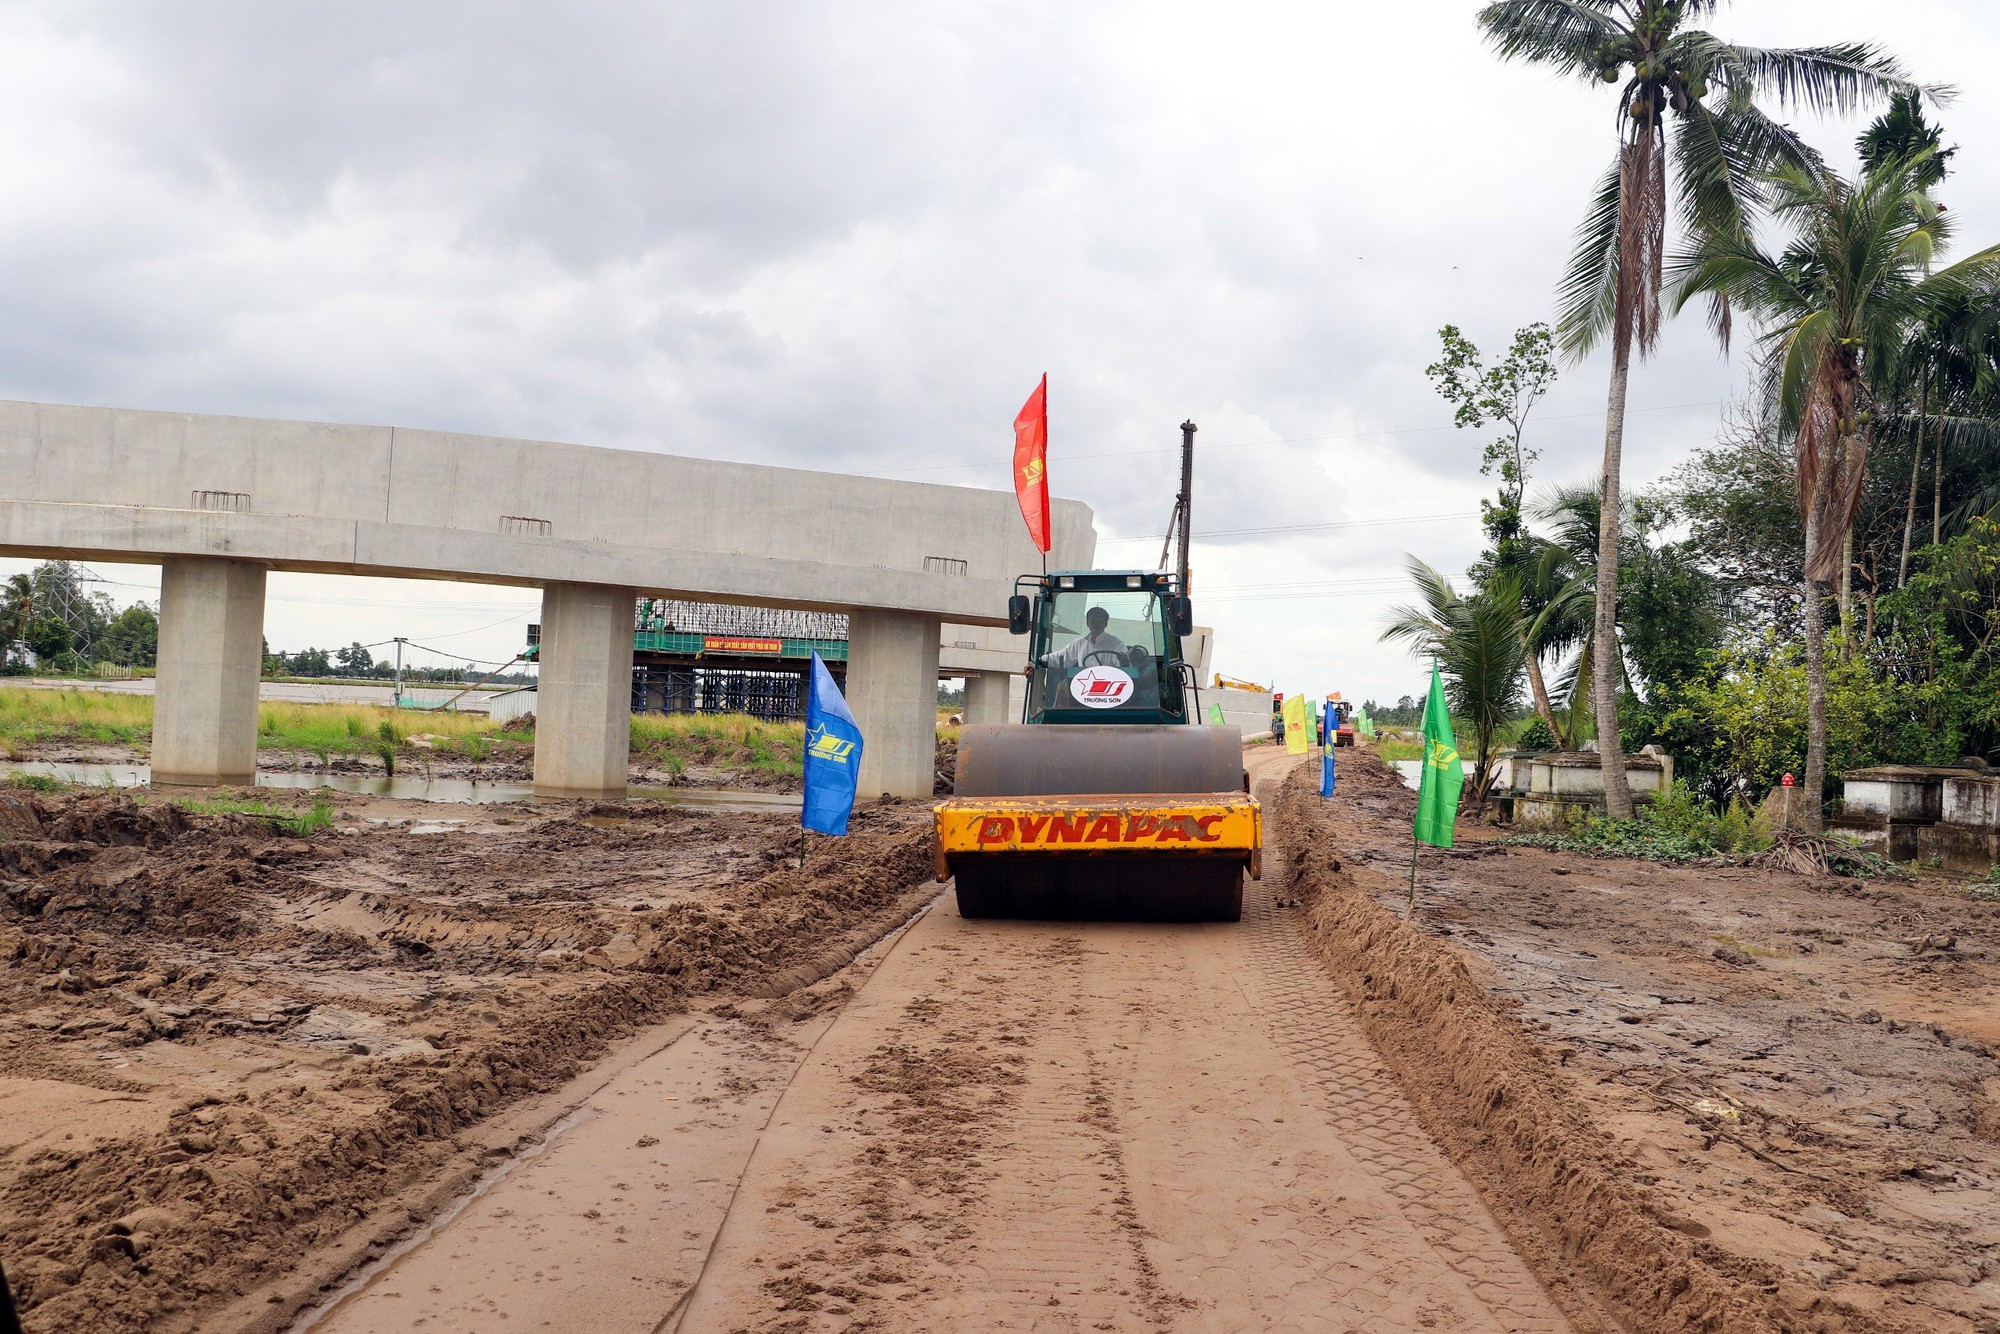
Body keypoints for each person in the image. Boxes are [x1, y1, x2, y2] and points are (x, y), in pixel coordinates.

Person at [1040, 606, 1127, 670]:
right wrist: (1040, 660)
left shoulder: (1117, 644)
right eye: (1093, 621)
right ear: (1087, 623)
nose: (1096, 624)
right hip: (1082, 687)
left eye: (1099, 622)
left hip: (1110, 687)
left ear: (1106, 624)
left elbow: (1124, 664)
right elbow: (1061, 658)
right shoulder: (1079, 644)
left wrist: (1124, 660)